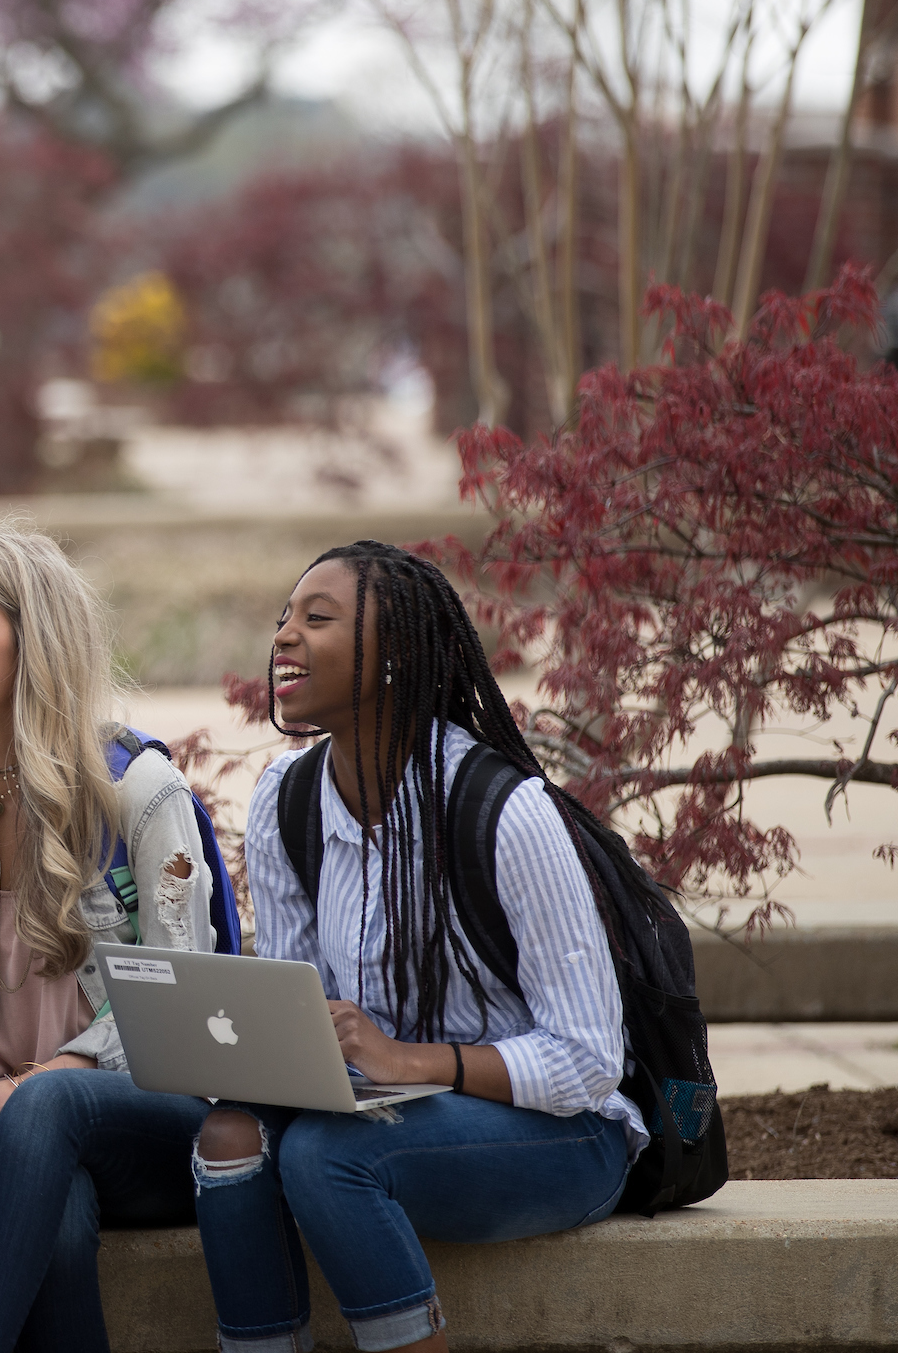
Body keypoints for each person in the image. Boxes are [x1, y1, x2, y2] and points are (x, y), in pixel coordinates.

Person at [192, 540, 643, 1353]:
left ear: (394, 654)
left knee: (329, 1158)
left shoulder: (504, 810)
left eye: (316, 619)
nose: (284, 637)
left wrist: (412, 1060)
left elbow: (587, 1060)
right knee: (232, 1137)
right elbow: (302, 1013)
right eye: (283, 619)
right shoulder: (284, 802)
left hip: (565, 1134)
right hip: (389, 1111)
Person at [0, 524, 213, 1353]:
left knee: (46, 1112)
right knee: (54, 1210)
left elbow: (179, 1006)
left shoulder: (138, 792)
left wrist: (36, 1084)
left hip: (144, 1113)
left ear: (35, 644)